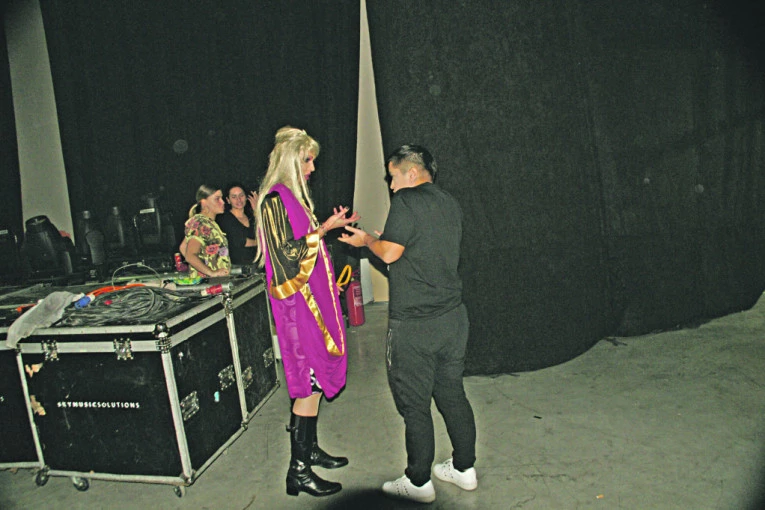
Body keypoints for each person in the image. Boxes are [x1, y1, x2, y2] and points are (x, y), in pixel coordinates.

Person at [339, 145, 477, 503]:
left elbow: (389, 252)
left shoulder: (406, 201)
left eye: (393, 176)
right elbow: (420, 252)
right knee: (452, 394)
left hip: (415, 325)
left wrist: (367, 240)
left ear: (411, 173)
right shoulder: (449, 202)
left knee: (415, 406)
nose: (391, 185)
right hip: (453, 319)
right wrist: (382, 241)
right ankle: (464, 469)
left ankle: (418, 482)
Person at [254, 126, 360, 498]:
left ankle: (309, 450)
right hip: (297, 309)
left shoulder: (293, 200)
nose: (312, 168)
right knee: (308, 381)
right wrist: (324, 228)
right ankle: (298, 472)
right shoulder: (274, 200)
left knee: (312, 381)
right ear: (290, 160)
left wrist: (328, 282)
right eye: (307, 160)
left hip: (310, 301)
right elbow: (286, 257)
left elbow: (307, 251)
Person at [181, 185, 231, 279]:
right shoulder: (201, 223)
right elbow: (190, 255)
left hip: (212, 281)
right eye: (217, 199)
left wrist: (203, 264)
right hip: (209, 283)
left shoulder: (207, 222)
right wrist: (211, 272)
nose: (222, 202)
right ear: (204, 202)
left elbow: (183, 247)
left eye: (221, 198)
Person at [217, 182, 258, 264]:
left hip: (256, 264)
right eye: (234, 197)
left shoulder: (252, 216)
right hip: (236, 266)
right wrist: (262, 243)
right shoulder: (225, 218)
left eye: (241, 195)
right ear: (228, 200)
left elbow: (265, 232)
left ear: (246, 197)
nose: (238, 199)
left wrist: (257, 211)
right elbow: (240, 241)